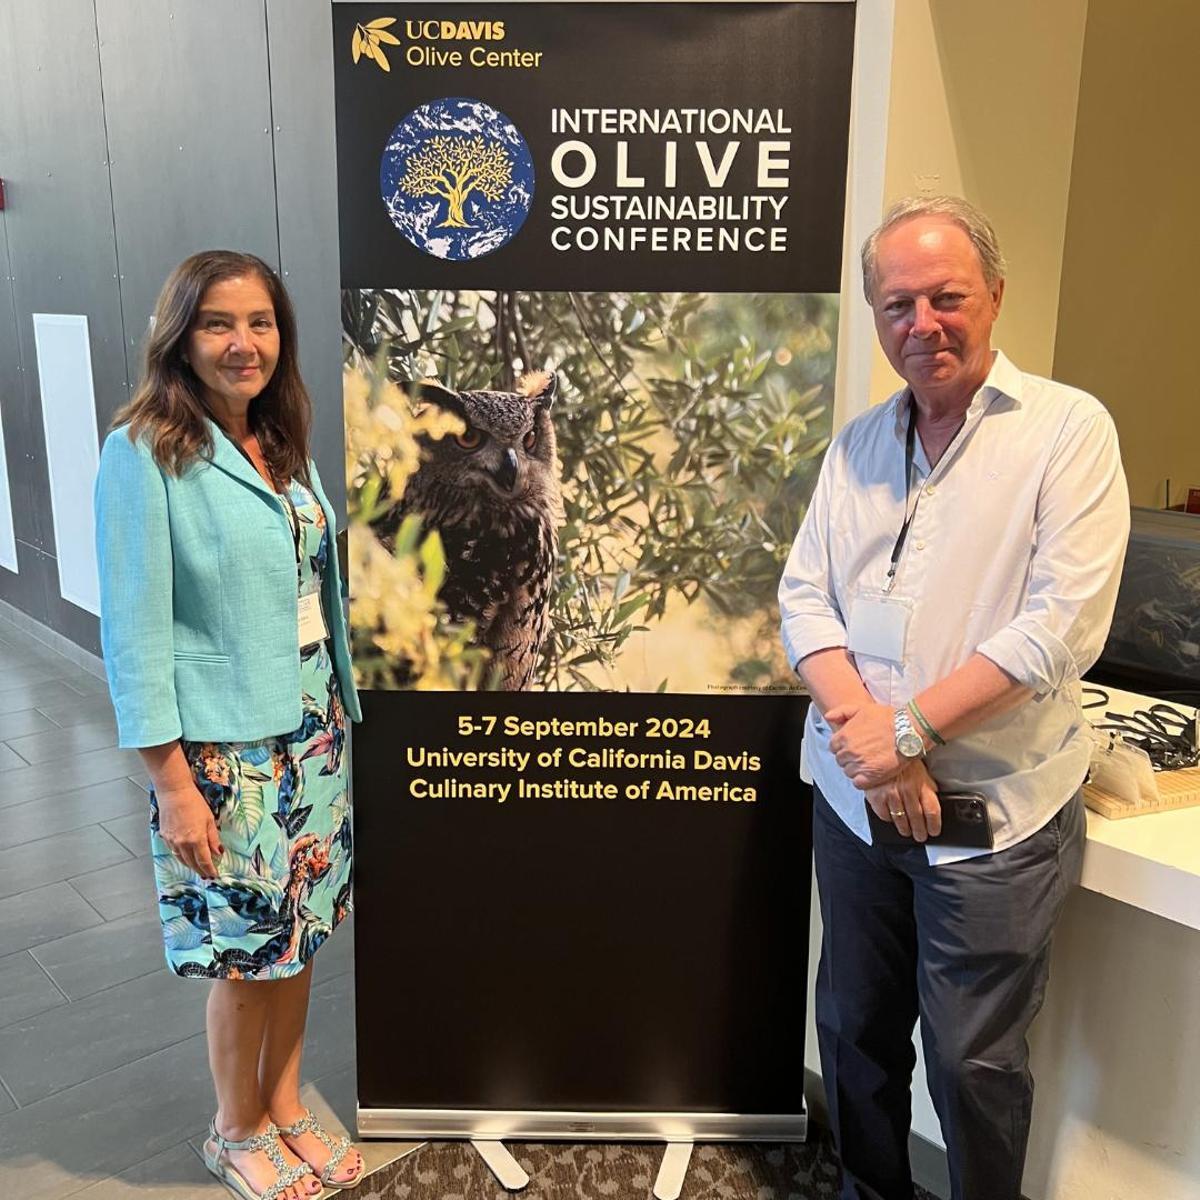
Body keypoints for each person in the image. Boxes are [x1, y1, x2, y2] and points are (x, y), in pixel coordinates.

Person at [778, 196, 1130, 1200]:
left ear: (996, 298)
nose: (921, 324)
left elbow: (1058, 628)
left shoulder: (1067, 432)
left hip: (990, 820)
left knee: (973, 1065)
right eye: (897, 305)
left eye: (946, 298)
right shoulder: (856, 446)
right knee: (851, 1032)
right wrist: (875, 748)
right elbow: (806, 597)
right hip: (858, 803)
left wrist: (909, 732)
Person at [95, 251, 366, 1199]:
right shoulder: (143, 451)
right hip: (224, 752)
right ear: (182, 334)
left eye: (260, 321)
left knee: (303, 932)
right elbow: (133, 635)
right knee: (248, 954)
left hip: (313, 731)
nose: (243, 342)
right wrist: (172, 783)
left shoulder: (279, 441)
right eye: (218, 323)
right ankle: (235, 1128)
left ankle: (287, 1106)